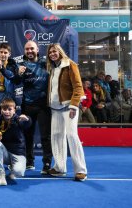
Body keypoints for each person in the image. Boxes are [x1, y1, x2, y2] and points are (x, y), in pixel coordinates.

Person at [46, 43, 87, 182]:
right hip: (55, 108)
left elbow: (78, 86)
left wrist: (74, 106)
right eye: (50, 52)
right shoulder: (52, 68)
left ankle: (81, 170)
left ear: (60, 52)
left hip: (69, 107)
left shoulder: (70, 64)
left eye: (54, 51)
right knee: (56, 137)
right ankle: (59, 168)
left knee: (72, 136)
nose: (52, 54)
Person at [18, 40, 52, 174]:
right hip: (27, 105)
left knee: (45, 136)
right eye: (27, 49)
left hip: (44, 105)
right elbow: (14, 81)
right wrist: (18, 73)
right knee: (27, 135)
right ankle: (29, 162)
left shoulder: (47, 63)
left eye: (32, 48)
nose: (29, 51)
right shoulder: (20, 65)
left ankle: (47, 163)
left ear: (37, 49)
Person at [0, 98, 31, 186]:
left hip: (18, 153)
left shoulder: (19, 120)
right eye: (4, 109)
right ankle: (1, 175)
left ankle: (13, 171)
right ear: (1, 110)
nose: (7, 112)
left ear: (14, 110)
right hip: (5, 153)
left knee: (19, 172)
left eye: (9, 109)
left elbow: (27, 124)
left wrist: (27, 119)